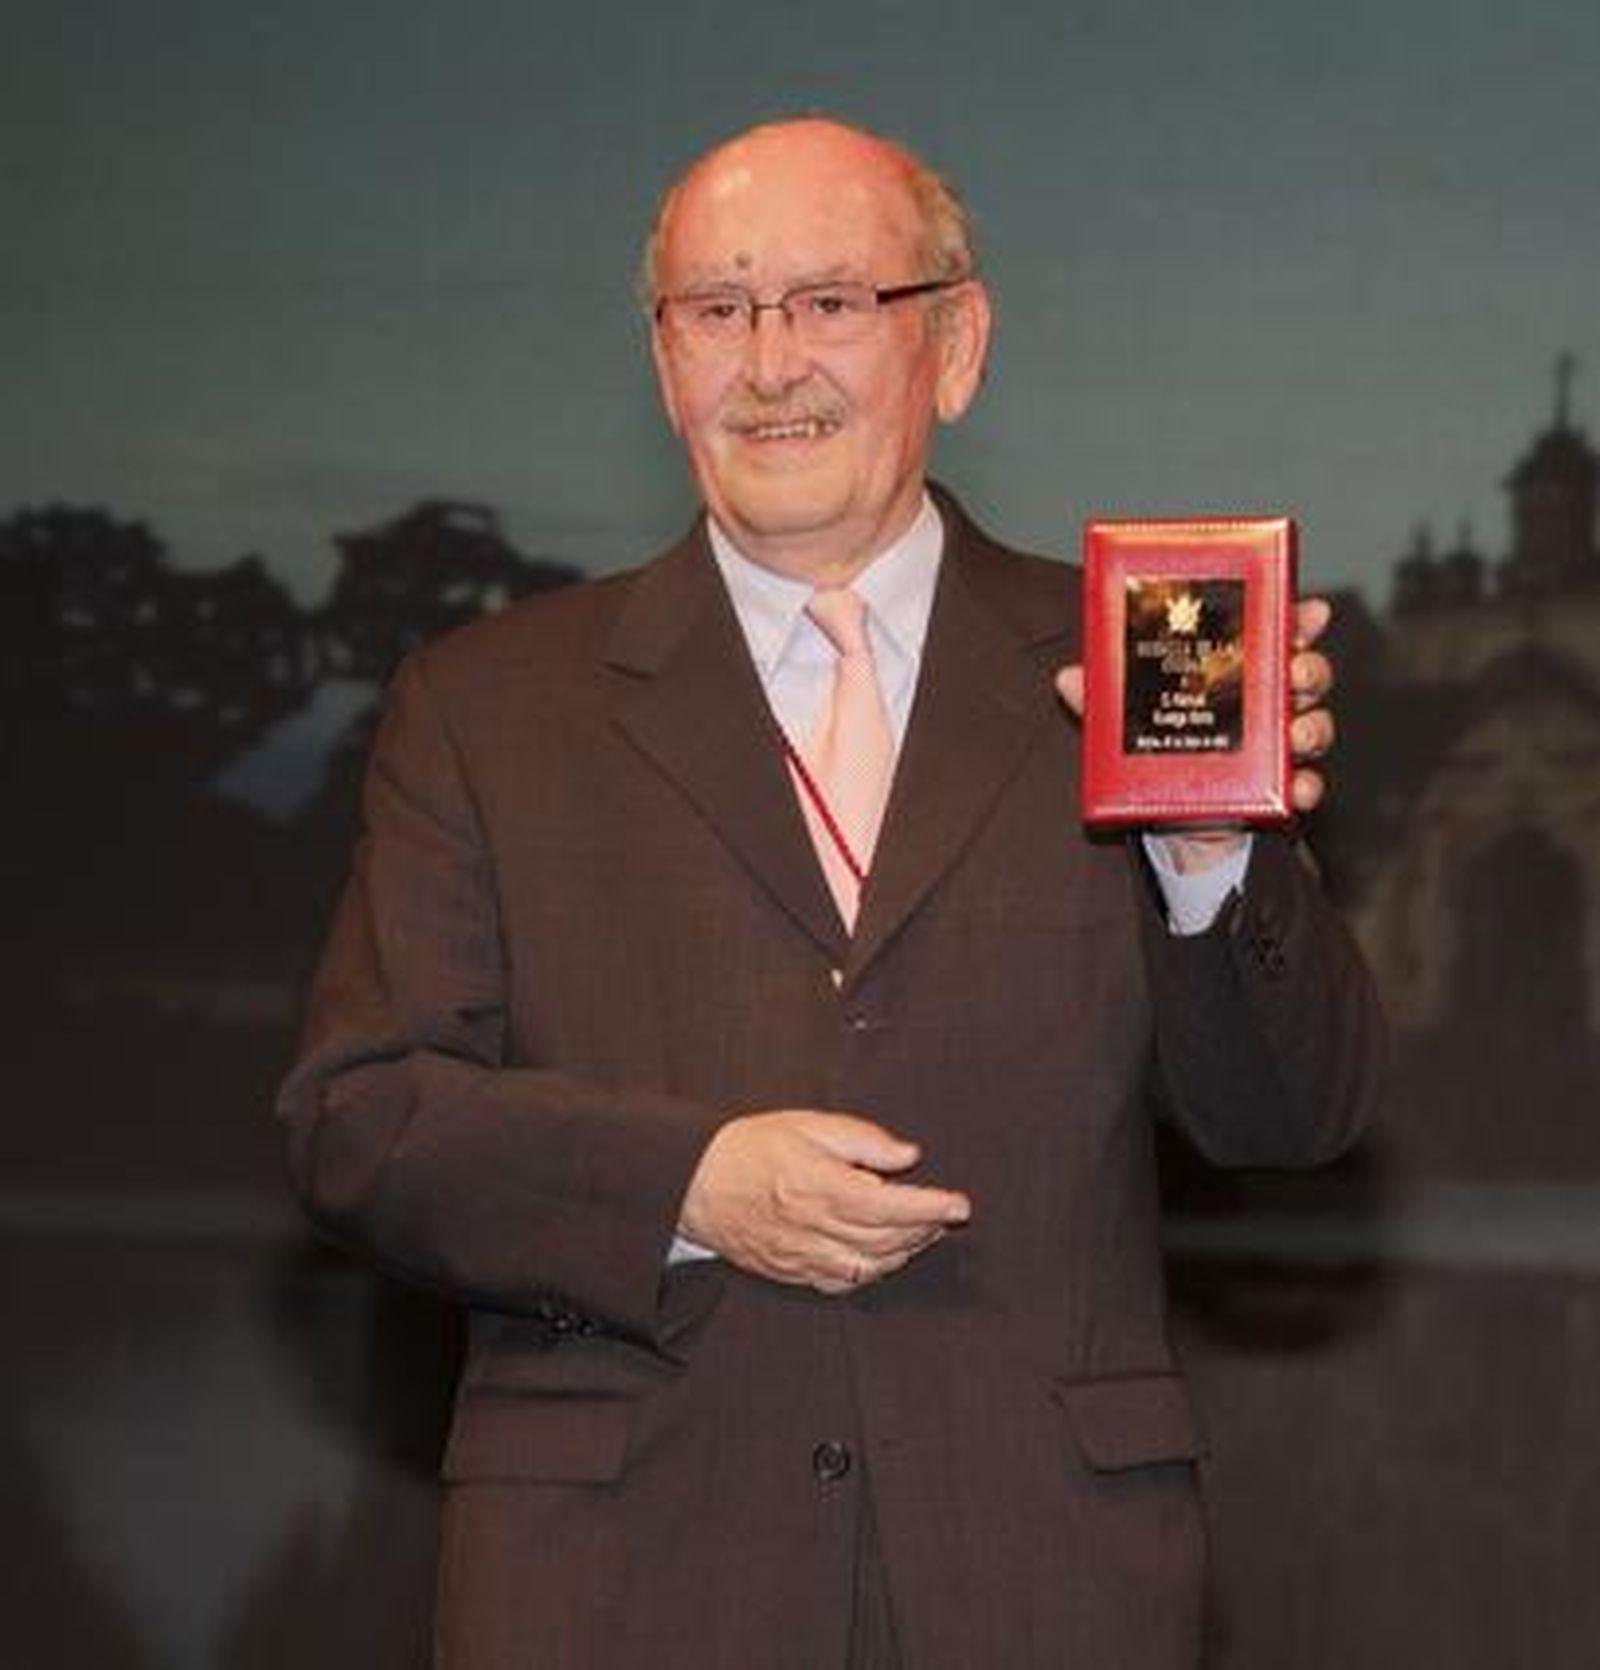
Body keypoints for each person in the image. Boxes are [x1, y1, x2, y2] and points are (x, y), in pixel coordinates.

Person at [278, 116, 1384, 1669]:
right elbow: (359, 1120)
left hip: (1041, 1579)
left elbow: (1293, 1118)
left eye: (830, 302)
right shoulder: (487, 705)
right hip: (619, 1589)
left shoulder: (1140, 657)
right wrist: (687, 1186)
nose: (770, 360)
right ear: (664, 365)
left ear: (957, 342)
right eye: (717, 310)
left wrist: (1208, 846)